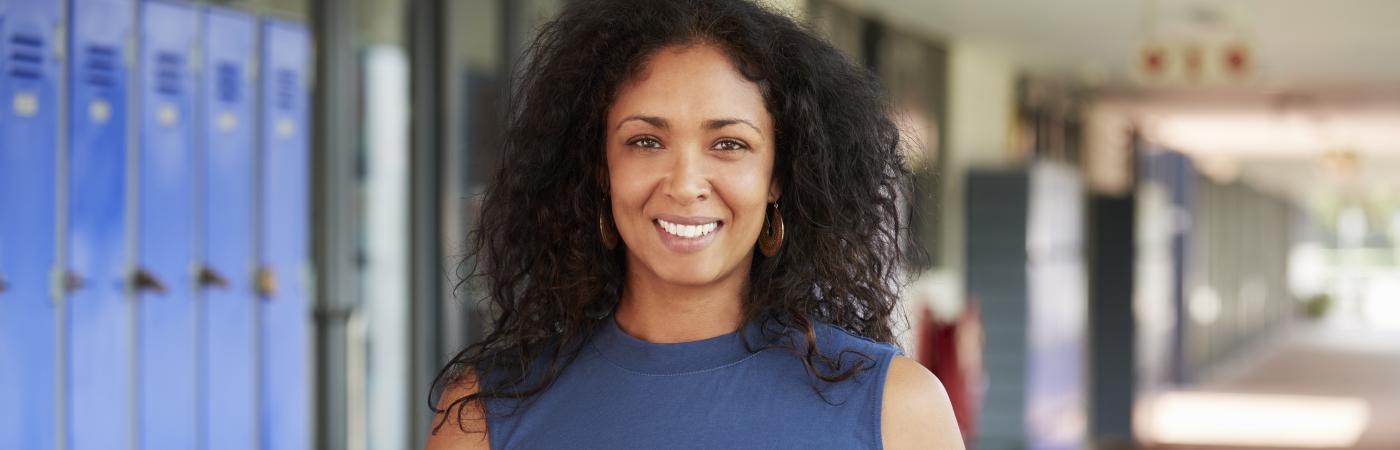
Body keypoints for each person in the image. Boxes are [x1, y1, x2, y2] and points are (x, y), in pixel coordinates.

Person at [426, 0, 963, 448]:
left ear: (778, 175)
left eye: (728, 144)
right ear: (601, 171)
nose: (685, 184)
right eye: (645, 141)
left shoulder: (897, 410)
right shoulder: (483, 420)